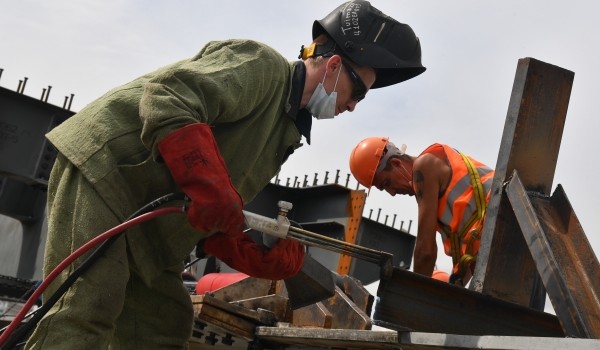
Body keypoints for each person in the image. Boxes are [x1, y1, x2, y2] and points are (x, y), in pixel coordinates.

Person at [25, 1, 425, 349]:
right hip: (110, 174)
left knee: (161, 326)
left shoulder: (283, 130)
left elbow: (211, 206)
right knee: (83, 313)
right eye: (358, 92)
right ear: (335, 65)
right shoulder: (262, 66)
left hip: (147, 220)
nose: (353, 106)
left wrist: (241, 247)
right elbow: (166, 98)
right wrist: (212, 189)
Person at [349, 137, 494, 287]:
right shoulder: (433, 194)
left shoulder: (425, 165)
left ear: (396, 163)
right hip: (494, 239)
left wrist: (416, 296)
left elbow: (425, 252)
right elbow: (469, 248)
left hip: (504, 217)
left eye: (387, 183)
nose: (391, 192)